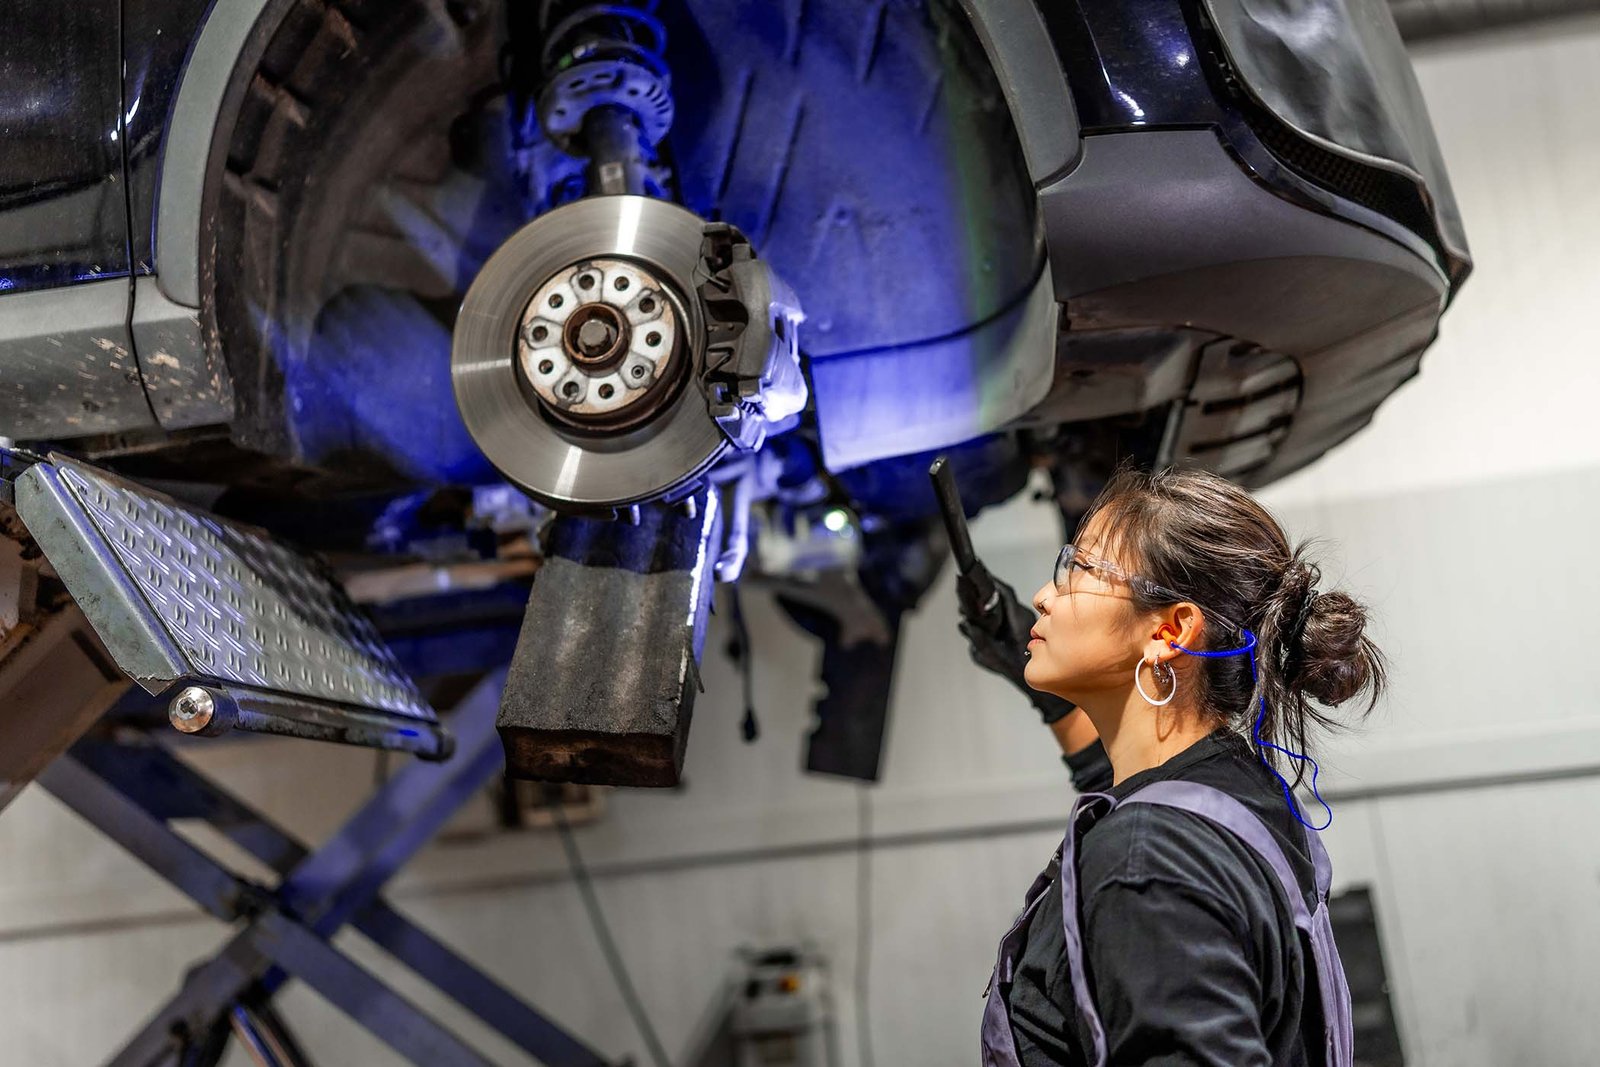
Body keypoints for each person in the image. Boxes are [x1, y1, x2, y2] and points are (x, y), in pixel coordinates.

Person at [959, 464, 1386, 1066]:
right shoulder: (1233, 793)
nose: (1043, 596)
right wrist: (1048, 699)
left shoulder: (1146, 862)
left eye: (1078, 570)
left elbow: (1143, 846)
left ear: (1170, 630)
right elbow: (1120, 789)